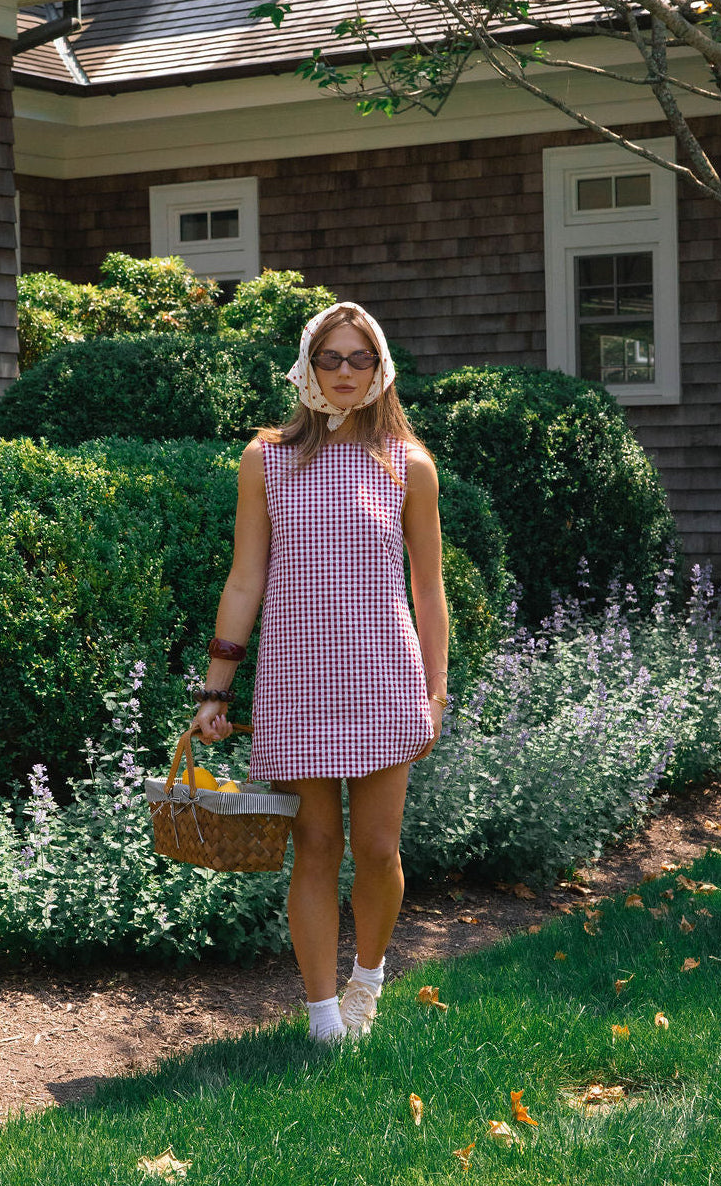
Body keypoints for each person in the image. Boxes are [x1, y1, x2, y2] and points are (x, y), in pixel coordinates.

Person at [192, 301, 448, 1042]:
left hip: (385, 679)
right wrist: (217, 688)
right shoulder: (265, 458)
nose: (342, 371)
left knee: (376, 849)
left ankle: (367, 981)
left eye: (357, 358)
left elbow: (428, 590)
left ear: (380, 369)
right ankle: (321, 1015)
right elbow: (245, 579)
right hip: (296, 681)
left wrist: (435, 692)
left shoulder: (410, 462)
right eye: (328, 358)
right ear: (307, 366)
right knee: (315, 846)